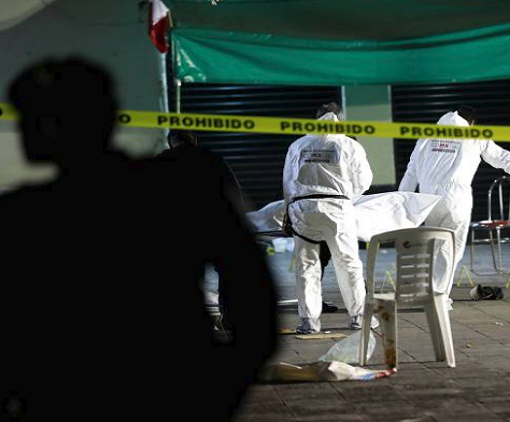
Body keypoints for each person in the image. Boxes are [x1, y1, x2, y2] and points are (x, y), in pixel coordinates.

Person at [0, 58, 277, 422]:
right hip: (174, 386)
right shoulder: (171, 192)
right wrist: (224, 383)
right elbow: (253, 293)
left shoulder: (22, 215)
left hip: (62, 396)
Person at [398, 106, 510, 306]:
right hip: (456, 200)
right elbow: (503, 158)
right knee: (450, 249)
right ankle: (438, 299)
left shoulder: (427, 136)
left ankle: (431, 293)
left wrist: (401, 201)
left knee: (435, 247)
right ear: (472, 123)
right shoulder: (474, 136)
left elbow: (411, 171)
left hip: (428, 200)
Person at [283, 102, 375, 333]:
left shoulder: (298, 145)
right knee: (348, 264)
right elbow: (364, 181)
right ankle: (359, 317)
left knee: (307, 265)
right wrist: (345, 195)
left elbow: (288, 182)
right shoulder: (350, 145)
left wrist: (289, 211)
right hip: (338, 211)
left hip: (304, 210)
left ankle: (309, 321)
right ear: (341, 121)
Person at [154, 130, 245, 331]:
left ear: (170, 143)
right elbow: (234, 192)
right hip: (215, 225)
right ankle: (229, 319)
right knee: (227, 272)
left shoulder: (161, 161)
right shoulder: (212, 159)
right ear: (194, 140)